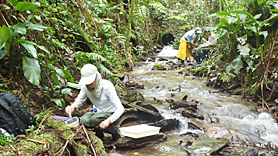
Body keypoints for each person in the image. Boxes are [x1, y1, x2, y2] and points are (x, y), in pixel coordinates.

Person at [65, 64, 124, 141]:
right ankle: (99, 133)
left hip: (111, 115)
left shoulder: (107, 86)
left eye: (91, 81)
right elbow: (78, 102)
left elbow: (121, 108)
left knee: (95, 119)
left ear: (97, 76)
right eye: (88, 82)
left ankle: (114, 132)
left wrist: (108, 121)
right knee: (83, 120)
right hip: (97, 113)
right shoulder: (85, 87)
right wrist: (71, 107)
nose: (90, 84)